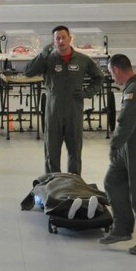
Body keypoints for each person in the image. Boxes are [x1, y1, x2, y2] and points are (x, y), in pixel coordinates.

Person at [98, 54, 136, 255]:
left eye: (111, 72)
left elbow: (126, 123)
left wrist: (114, 145)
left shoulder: (135, 90)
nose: (112, 77)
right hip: (128, 147)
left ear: (116, 70)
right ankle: (122, 229)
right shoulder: (131, 87)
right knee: (112, 181)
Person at [23, 25, 104, 175]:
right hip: (53, 112)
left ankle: (74, 183)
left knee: (75, 152)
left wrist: (87, 93)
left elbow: (99, 78)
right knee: (51, 153)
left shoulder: (83, 60)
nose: (61, 41)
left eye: (63, 37)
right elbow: (28, 72)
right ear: (53, 41)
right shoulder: (48, 60)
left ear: (70, 38)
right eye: (57, 38)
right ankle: (53, 183)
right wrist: (43, 54)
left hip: (74, 112)